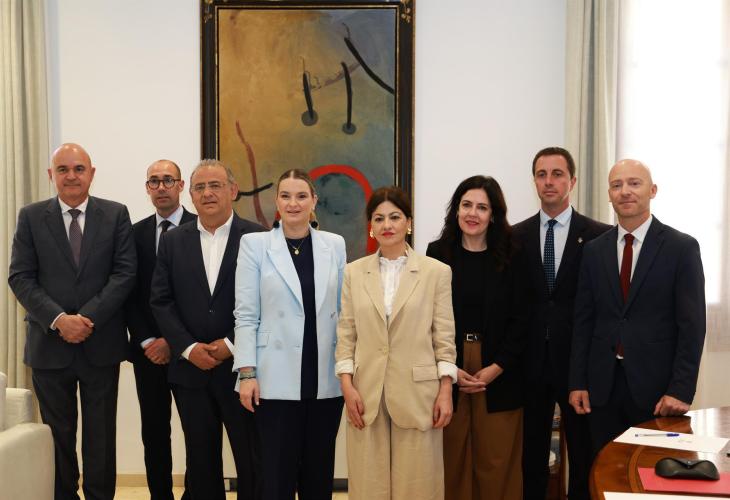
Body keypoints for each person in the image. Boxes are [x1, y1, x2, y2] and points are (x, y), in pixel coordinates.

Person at [8, 143, 136, 500]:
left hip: (101, 344)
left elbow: (125, 274)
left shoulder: (115, 214)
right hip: (49, 346)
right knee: (57, 436)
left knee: (100, 436)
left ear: (91, 174)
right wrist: (60, 319)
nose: (71, 176)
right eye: (63, 169)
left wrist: (87, 318)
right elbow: (20, 277)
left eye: (79, 169)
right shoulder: (31, 217)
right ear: (51, 175)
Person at [569, 159, 706, 457]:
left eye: (634, 183)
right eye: (616, 185)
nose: (625, 191)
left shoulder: (681, 248)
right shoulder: (594, 250)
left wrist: (681, 390)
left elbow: (692, 326)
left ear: (652, 190)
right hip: (601, 388)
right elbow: (583, 320)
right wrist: (577, 382)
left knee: (652, 471)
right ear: (609, 194)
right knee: (604, 471)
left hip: (658, 392)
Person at [150, 159, 264, 500]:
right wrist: (188, 348)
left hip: (243, 371)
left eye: (215, 185)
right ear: (190, 194)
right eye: (200, 187)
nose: (207, 193)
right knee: (200, 463)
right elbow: (161, 301)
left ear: (233, 190)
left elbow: (268, 302)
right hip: (190, 372)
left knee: (252, 459)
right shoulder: (172, 241)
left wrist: (232, 344)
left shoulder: (258, 238)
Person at [335, 186, 457, 500]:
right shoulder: (353, 273)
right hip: (366, 393)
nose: (387, 225)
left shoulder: (436, 272)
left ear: (408, 222)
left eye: (395, 217)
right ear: (371, 227)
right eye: (379, 218)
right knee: (368, 486)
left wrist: (446, 390)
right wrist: (347, 386)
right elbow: (346, 334)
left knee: (418, 487)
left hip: (419, 394)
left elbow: (444, 339)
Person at [235, 169, 346, 500]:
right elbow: (246, 314)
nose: (293, 203)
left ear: (314, 201)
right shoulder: (255, 245)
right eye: (286, 196)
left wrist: (348, 370)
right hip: (273, 378)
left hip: (324, 376)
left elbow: (344, 312)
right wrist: (247, 374)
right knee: (276, 477)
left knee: (318, 475)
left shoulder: (334, 245)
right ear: (277, 201)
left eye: (301, 196)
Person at [513, 148, 610, 500]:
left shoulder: (600, 235)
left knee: (584, 453)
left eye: (557, 174)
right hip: (530, 362)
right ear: (534, 181)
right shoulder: (515, 236)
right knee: (531, 456)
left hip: (578, 363)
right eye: (541, 174)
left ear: (573, 180)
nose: (549, 181)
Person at [426, 175, 528, 500]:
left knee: (496, 461)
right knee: (451, 457)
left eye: (482, 207)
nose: (473, 213)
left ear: (493, 215)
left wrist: (497, 367)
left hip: (499, 368)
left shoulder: (514, 255)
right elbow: (426, 319)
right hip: (449, 367)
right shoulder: (437, 254)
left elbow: (523, 320)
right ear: (456, 210)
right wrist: (450, 369)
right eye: (466, 205)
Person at [126, 159, 195, 500]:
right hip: (148, 354)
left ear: (181, 186)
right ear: (147, 188)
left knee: (198, 432)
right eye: (154, 181)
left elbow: (201, 296)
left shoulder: (202, 228)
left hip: (190, 352)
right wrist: (149, 340)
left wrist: (174, 340)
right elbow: (128, 293)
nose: (161, 187)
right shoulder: (133, 234)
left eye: (168, 180)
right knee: (154, 432)